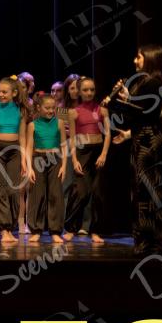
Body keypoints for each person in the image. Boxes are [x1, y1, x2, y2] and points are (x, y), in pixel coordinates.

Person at [107, 44, 162, 255]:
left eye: (139, 57)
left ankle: (154, 240)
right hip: (139, 139)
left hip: (150, 141)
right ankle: (144, 239)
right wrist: (118, 100)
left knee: (150, 191)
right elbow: (131, 115)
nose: (135, 60)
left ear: (150, 59)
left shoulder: (154, 83)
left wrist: (125, 100)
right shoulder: (142, 82)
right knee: (140, 191)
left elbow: (148, 113)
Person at [63, 77, 110, 244]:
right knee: (81, 192)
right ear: (79, 92)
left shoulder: (102, 110)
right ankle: (70, 228)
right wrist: (74, 159)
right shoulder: (73, 112)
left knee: (97, 193)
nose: (89, 93)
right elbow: (72, 138)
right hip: (82, 152)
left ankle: (95, 231)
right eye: (85, 90)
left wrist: (103, 154)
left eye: (92, 90)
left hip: (98, 152)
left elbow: (108, 134)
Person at [0, 76, 29, 243]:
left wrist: (24, 160)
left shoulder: (21, 110)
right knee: (0, 190)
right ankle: (4, 230)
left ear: (14, 93)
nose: (1, 95)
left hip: (15, 151)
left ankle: (10, 228)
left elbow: (23, 136)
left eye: (5, 92)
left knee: (14, 190)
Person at [26, 94, 67, 244]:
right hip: (38, 159)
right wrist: (30, 168)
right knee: (37, 195)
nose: (51, 111)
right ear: (39, 108)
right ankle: (36, 230)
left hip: (55, 159)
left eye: (53, 108)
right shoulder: (32, 125)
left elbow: (64, 145)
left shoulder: (59, 123)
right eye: (47, 108)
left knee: (55, 195)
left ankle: (55, 231)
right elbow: (29, 148)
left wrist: (64, 166)